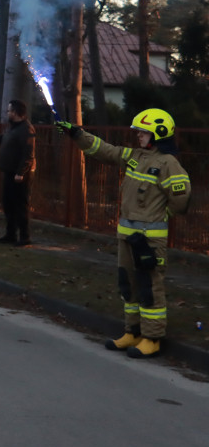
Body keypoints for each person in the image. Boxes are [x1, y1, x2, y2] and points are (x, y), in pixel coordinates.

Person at [56, 109, 190, 359]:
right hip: (127, 237)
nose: (138, 135)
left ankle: (152, 338)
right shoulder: (135, 156)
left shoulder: (169, 164)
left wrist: (159, 215)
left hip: (150, 240)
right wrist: (77, 134)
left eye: (143, 131)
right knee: (127, 285)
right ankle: (133, 331)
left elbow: (181, 202)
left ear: (158, 134)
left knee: (150, 287)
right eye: (138, 131)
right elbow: (104, 150)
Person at [0, 99, 36, 246]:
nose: (7, 113)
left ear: (17, 113)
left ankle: (25, 237)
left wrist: (21, 172)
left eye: (9, 110)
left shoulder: (26, 129)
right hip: (10, 172)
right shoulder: (13, 128)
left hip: (19, 175)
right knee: (8, 204)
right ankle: (10, 234)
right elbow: (3, 140)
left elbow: (28, 154)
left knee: (20, 205)